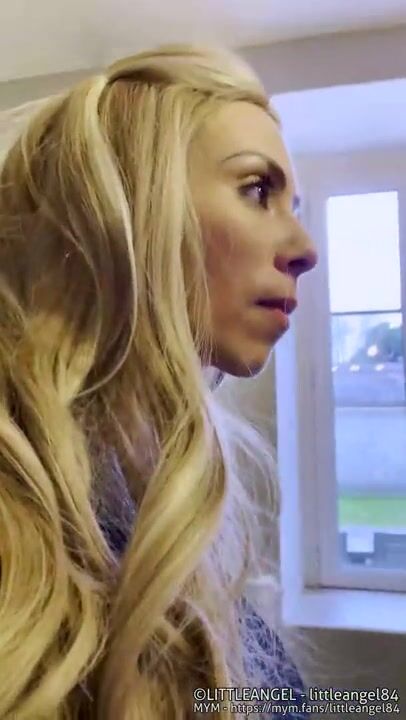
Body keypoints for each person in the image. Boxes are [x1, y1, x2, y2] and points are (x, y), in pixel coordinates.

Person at [0, 44, 317, 719]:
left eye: (296, 205)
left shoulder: (164, 519)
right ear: (130, 211)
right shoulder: (24, 544)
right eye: (257, 191)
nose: (305, 249)